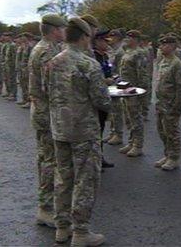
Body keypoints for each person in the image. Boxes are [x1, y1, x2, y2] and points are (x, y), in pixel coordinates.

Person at [49, 17, 111, 246]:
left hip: (60, 128)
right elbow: (102, 100)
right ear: (85, 37)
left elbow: (49, 93)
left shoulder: (54, 61)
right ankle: (81, 232)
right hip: (84, 131)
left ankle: (62, 227)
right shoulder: (88, 64)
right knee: (85, 180)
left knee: (63, 178)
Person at [28, 14, 67, 228]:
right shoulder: (47, 51)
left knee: (46, 158)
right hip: (47, 112)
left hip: (44, 110)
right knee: (49, 161)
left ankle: (48, 204)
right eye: (62, 28)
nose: (64, 32)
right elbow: (50, 86)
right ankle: (46, 208)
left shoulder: (46, 47)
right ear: (54, 30)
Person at [153, 35, 181, 171]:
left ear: (172, 46)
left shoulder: (177, 64)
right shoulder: (163, 61)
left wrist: (177, 106)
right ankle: (167, 154)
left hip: (171, 104)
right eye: (160, 45)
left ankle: (174, 158)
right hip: (161, 103)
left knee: (172, 132)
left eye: (164, 45)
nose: (161, 47)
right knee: (162, 131)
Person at [118, 30, 149, 157]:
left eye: (130, 38)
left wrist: (141, 92)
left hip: (134, 91)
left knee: (136, 118)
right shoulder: (127, 52)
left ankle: (138, 145)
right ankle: (131, 141)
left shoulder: (139, 53)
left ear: (136, 39)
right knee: (128, 118)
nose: (127, 39)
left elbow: (142, 74)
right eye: (127, 37)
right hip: (125, 90)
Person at [93, 29, 116, 169]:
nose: (107, 44)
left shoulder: (104, 56)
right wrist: (105, 81)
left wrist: (112, 79)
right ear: (96, 41)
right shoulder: (93, 57)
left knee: (100, 128)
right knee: (95, 130)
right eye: (104, 41)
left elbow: (108, 71)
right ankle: (95, 160)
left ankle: (99, 157)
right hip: (96, 97)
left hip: (104, 96)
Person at [104, 29, 125, 146]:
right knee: (112, 110)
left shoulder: (120, 52)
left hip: (117, 83)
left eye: (112, 37)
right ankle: (113, 132)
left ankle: (118, 134)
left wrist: (117, 81)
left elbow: (121, 70)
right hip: (111, 83)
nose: (109, 39)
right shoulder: (112, 50)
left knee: (117, 110)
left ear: (117, 38)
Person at [1, 32, 17, 101]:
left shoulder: (13, 45)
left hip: (11, 66)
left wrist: (14, 66)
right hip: (6, 65)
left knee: (12, 80)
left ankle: (13, 94)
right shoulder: (6, 45)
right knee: (6, 79)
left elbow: (14, 57)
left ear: (10, 37)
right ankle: (8, 92)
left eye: (6, 36)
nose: (4, 37)